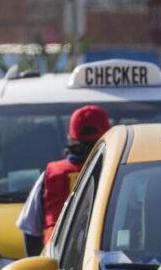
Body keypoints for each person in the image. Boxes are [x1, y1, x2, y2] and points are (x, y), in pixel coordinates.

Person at [16, 104, 111, 256]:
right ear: (109, 137)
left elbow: (30, 229)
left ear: (70, 138)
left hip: (57, 262)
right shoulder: (119, 174)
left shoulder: (51, 175)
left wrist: (41, 267)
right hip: (107, 263)